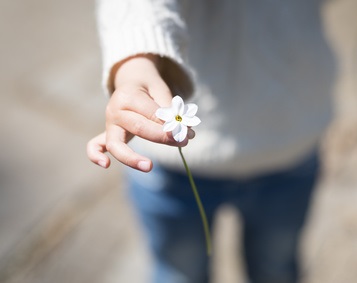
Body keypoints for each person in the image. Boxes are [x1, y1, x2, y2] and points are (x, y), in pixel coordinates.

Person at [87, 0, 336, 282]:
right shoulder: (178, 121)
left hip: (289, 146)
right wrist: (135, 62)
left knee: (276, 270)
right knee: (180, 273)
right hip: (174, 172)